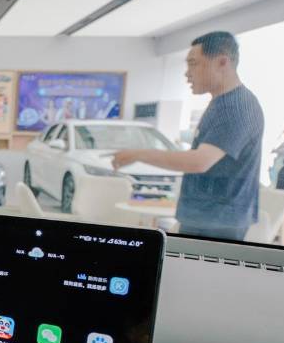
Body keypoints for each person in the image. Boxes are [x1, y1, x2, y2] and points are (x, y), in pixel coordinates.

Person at [112, 31, 264, 241]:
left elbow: (199, 162)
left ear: (222, 62)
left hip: (217, 221)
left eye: (193, 63)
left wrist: (139, 154)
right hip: (205, 217)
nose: (187, 73)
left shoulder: (236, 107)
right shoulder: (221, 103)